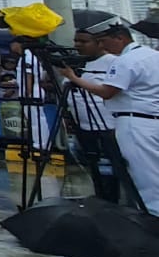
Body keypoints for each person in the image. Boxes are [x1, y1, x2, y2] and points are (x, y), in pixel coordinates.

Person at [59, 22, 159, 214]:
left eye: (104, 41)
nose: (103, 46)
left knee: (143, 175)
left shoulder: (126, 60)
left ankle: (151, 216)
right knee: (153, 170)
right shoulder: (152, 55)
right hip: (152, 119)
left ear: (120, 38)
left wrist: (74, 78)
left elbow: (107, 92)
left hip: (135, 122)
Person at [64, 26, 123, 202]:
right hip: (83, 125)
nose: (78, 45)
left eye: (84, 41)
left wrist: (75, 78)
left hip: (107, 125)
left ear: (99, 43)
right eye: (76, 41)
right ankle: (101, 198)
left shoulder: (113, 62)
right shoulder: (77, 63)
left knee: (111, 168)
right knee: (93, 166)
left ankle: (114, 201)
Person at [9, 37, 52, 155]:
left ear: (19, 44)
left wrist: (28, 93)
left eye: (12, 43)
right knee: (34, 119)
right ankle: (38, 143)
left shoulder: (27, 57)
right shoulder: (25, 57)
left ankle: (42, 145)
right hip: (30, 90)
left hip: (32, 90)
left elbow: (29, 76)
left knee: (37, 119)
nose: (11, 46)